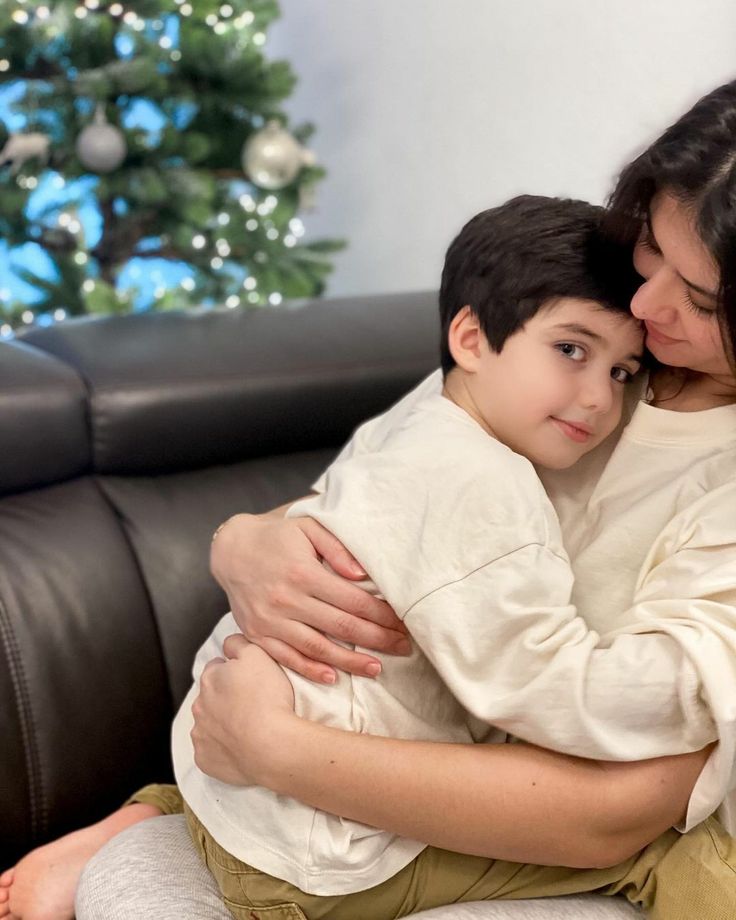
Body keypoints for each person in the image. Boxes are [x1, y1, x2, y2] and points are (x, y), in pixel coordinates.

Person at [4, 77, 736, 920]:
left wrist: (277, 750)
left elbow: (623, 809)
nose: (647, 305)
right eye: (651, 248)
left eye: (702, 297)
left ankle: (165, 819)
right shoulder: (581, 348)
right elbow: (381, 491)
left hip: (501, 801)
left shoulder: (621, 403)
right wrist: (245, 543)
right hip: (351, 764)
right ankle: (168, 818)